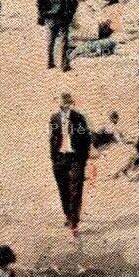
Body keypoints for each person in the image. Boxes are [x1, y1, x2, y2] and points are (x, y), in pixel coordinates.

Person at [49, 93, 91, 235]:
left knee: (76, 190)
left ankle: (74, 221)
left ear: (71, 104)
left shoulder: (79, 118)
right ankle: (68, 215)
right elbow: (52, 138)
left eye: (67, 104)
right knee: (63, 190)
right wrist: (53, 159)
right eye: (62, 105)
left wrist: (83, 160)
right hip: (60, 159)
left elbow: (86, 139)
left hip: (76, 159)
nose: (64, 107)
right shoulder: (54, 118)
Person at [37, 0, 79, 71]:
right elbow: (74, 2)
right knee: (64, 40)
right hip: (63, 18)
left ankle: (50, 62)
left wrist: (43, 15)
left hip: (50, 17)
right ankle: (64, 64)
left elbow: (39, 2)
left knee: (50, 40)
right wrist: (70, 14)